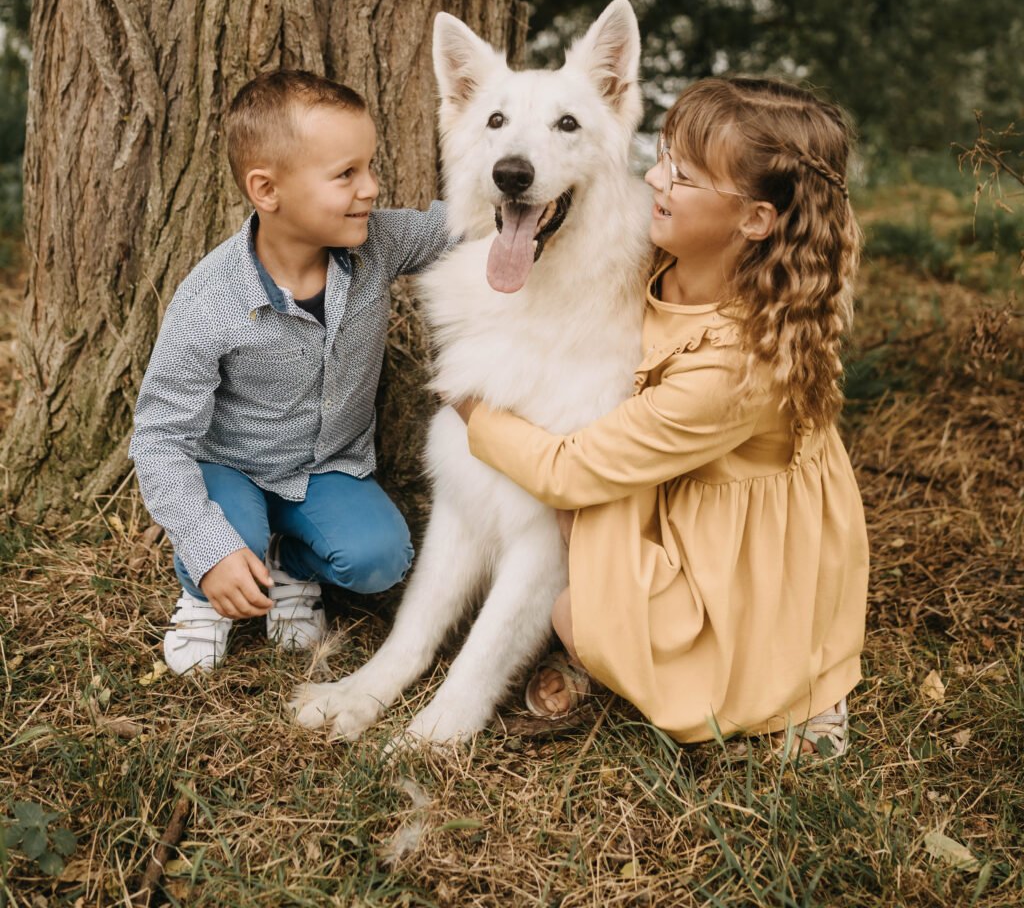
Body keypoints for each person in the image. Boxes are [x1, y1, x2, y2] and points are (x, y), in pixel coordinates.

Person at [455, 76, 869, 758]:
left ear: (755, 221)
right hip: (669, 493)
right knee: (588, 557)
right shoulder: (659, 259)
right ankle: (624, 632)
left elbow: (572, 471)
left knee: (577, 609)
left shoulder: (738, 367)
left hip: (743, 560)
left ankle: (799, 690)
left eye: (684, 175)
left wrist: (468, 401)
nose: (653, 179)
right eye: (662, 156)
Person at [130, 70, 452, 675]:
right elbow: (159, 439)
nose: (371, 188)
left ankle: (292, 569)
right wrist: (207, 545)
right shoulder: (210, 299)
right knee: (228, 540)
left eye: (370, 167)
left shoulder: (376, 244)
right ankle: (204, 595)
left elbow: (456, 227)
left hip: (328, 467)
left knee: (381, 557)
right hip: (232, 468)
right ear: (267, 190)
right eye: (346, 175)